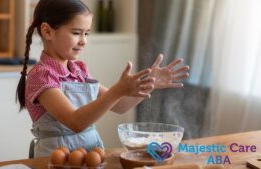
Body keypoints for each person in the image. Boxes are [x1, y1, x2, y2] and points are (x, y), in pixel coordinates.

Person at [16, 0, 189, 157]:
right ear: (47, 31)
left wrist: (149, 84)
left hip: (90, 154)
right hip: (54, 159)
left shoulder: (79, 71)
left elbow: (121, 105)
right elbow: (75, 122)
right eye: (76, 33)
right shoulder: (42, 75)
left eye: (86, 34)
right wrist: (117, 90)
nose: (83, 41)